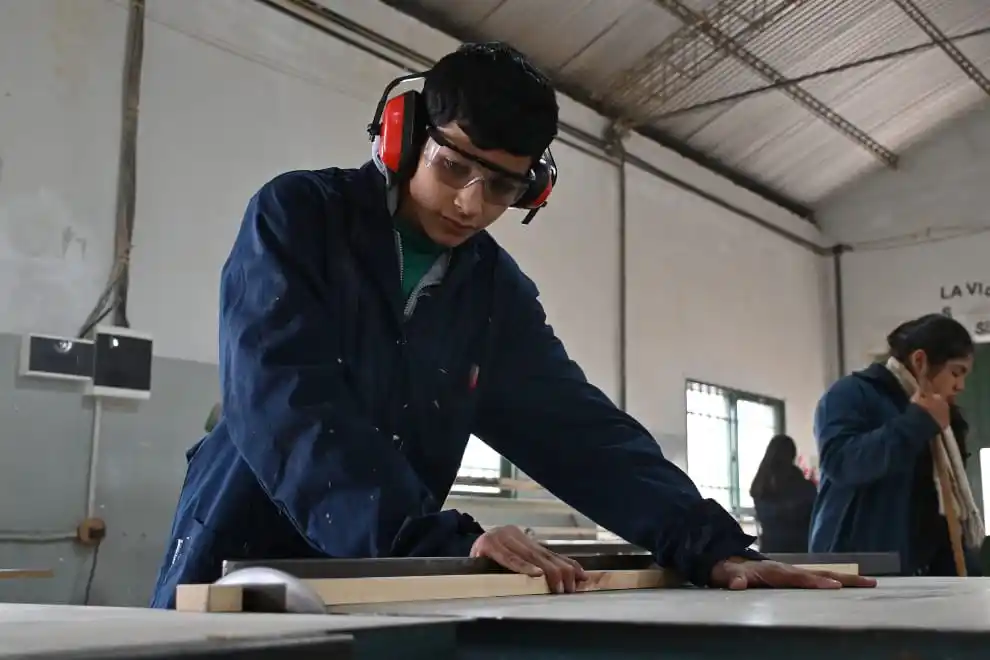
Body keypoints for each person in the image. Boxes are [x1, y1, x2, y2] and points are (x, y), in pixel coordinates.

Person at [149, 42, 873, 608]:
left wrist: (709, 544)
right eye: (454, 167)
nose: (470, 204)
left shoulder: (492, 292)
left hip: (386, 578)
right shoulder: (299, 218)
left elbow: (578, 434)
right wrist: (424, 540)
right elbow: (286, 403)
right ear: (402, 138)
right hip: (241, 548)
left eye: (502, 186)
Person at [809, 313, 984, 576]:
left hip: (928, 568)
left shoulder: (943, 414)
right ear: (920, 361)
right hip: (860, 568)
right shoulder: (851, 394)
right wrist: (916, 422)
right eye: (955, 372)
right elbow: (841, 463)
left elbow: (942, 504)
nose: (960, 385)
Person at [750, 434, 817, 553]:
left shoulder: (760, 485)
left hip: (769, 553)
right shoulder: (803, 487)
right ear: (792, 455)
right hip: (800, 553)